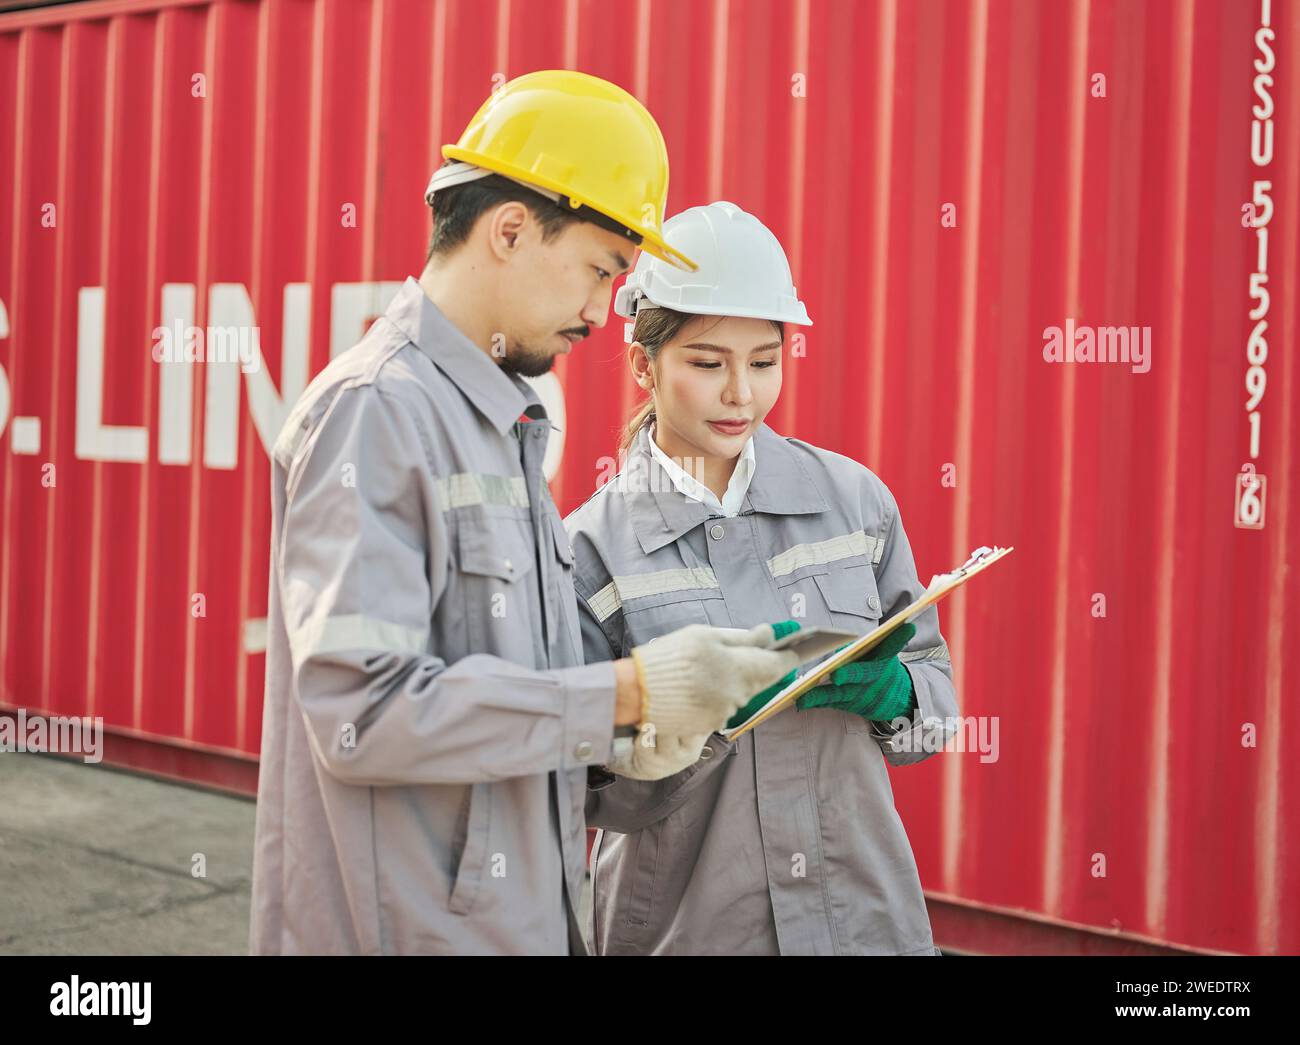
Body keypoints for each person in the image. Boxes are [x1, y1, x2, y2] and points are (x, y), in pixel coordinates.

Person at [249, 75, 799, 956]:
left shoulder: (500, 424)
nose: (602, 309)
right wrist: (625, 692)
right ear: (509, 229)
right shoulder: (376, 411)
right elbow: (361, 713)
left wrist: (629, 740)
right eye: (601, 269)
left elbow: (510, 705)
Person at [564, 201, 959, 955]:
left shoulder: (854, 503)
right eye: (708, 363)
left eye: (764, 361)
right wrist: (696, 715)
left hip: (865, 927)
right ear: (644, 366)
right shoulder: (591, 549)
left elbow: (936, 709)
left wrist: (901, 694)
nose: (740, 393)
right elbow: (585, 792)